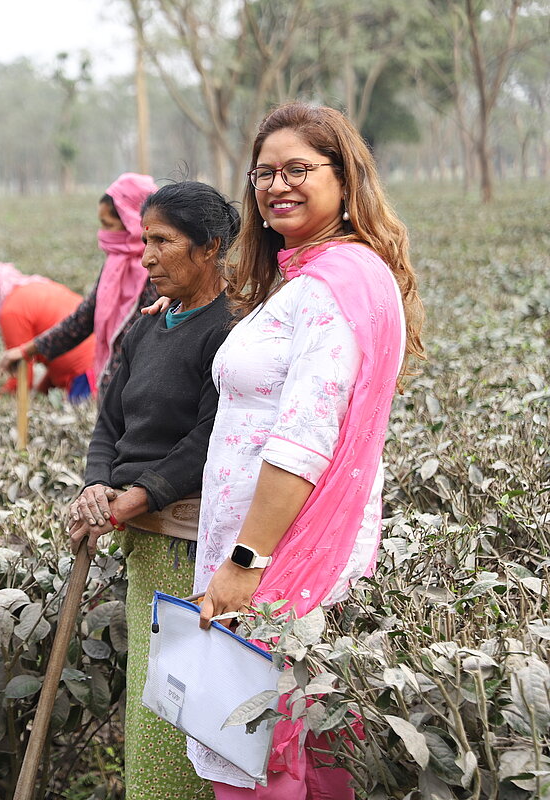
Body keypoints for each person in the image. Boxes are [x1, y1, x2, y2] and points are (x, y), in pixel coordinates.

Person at [189, 102, 425, 798]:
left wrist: (245, 563)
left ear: (344, 179)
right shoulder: (311, 279)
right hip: (268, 546)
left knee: (257, 742)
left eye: (299, 169)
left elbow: (304, 440)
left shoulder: (331, 286)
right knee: (300, 740)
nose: (276, 185)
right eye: (264, 173)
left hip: (276, 554)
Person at [66, 181, 240, 800]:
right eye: (145, 241)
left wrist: (139, 493)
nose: (146, 258)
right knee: (149, 699)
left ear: (209, 247)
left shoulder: (229, 332)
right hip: (140, 540)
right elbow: (109, 423)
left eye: (163, 242)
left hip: (186, 542)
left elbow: (206, 438)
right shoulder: (145, 329)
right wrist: (96, 487)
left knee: (177, 708)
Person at [0, 173, 159, 397]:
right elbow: (83, 318)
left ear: (134, 222)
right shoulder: (114, 265)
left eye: (109, 225)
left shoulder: (159, 273)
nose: (103, 234)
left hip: (142, 395)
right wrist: (28, 350)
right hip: (110, 391)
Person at [0, 260, 95, 402]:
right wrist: (42, 391)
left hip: (85, 375)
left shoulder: (11, 311)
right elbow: (55, 350)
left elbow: (22, 375)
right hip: (105, 362)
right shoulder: (36, 285)